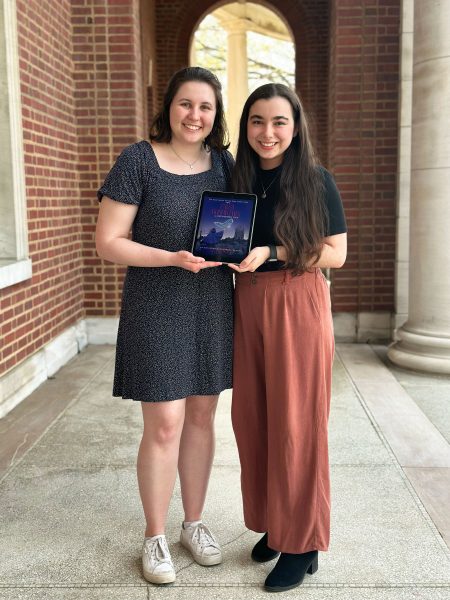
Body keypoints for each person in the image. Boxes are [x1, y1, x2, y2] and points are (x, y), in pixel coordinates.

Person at [95, 67, 234, 585]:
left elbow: (245, 221)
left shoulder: (224, 164)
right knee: (165, 425)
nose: (194, 115)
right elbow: (109, 241)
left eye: (205, 107)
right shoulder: (138, 160)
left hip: (212, 304)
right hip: (156, 303)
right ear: (168, 108)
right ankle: (155, 535)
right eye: (185, 104)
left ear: (215, 115)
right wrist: (170, 257)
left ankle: (192, 524)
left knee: (202, 417)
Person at [229, 83, 347, 592]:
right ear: (245, 126)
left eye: (279, 121)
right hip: (246, 300)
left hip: (296, 301)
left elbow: (336, 254)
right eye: (257, 121)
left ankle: (303, 544)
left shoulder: (316, 181)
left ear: (295, 127)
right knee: (254, 418)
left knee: (296, 424)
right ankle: (278, 524)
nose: (268, 132)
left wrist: (274, 253)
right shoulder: (238, 178)